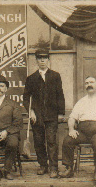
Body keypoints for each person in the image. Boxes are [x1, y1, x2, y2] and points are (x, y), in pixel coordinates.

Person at [23, 48, 65, 178]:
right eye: (39, 58)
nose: (42, 60)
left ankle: (53, 168)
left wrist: (60, 113)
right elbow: (26, 98)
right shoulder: (31, 78)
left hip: (52, 116)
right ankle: (43, 165)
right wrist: (31, 112)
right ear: (36, 60)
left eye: (45, 58)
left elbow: (60, 95)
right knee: (39, 141)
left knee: (52, 141)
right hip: (37, 117)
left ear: (48, 60)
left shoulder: (55, 76)